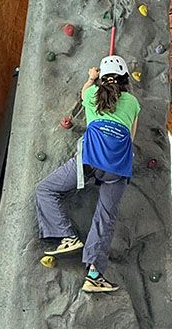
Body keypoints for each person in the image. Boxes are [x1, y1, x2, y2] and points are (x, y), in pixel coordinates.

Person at [35, 55, 141, 293]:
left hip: (89, 160)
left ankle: (66, 237)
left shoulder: (92, 93)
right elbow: (132, 137)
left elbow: (84, 93)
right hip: (118, 167)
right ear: (125, 78)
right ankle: (94, 275)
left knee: (46, 190)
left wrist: (91, 78)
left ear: (102, 78)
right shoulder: (133, 102)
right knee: (105, 217)